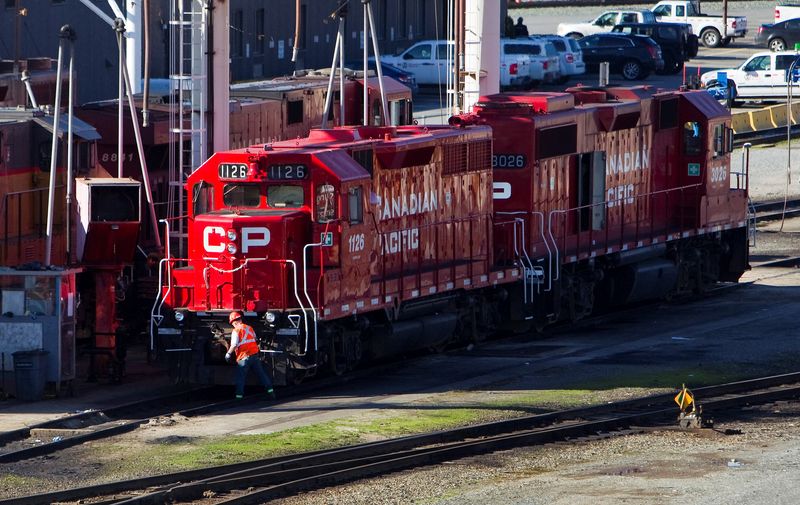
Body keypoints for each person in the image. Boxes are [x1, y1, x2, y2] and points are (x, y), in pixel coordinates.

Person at [225, 311, 276, 400]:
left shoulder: (236, 331)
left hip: (243, 358)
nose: (233, 325)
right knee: (262, 375)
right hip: (254, 356)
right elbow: (255, 339)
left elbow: (234, 345)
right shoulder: (249, 328)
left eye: (232, 323)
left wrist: (228, 354)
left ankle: (239, 398)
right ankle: (271, 393)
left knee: (240, 378)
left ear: (235, 322)